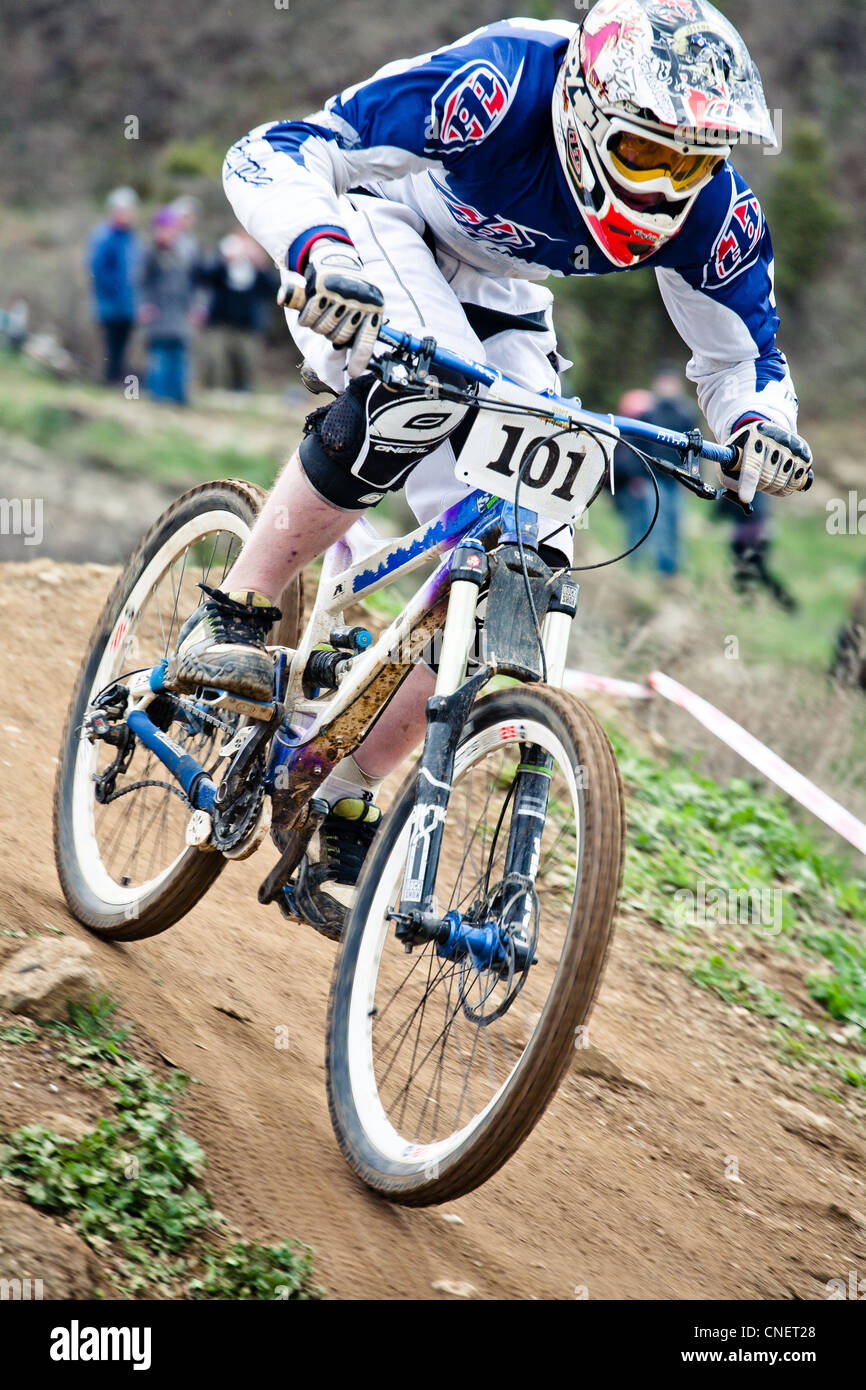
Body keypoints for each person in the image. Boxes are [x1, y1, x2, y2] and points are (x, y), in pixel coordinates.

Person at [164, 1, 814, 902]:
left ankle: (343, 789)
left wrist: (756, 429)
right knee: (424, 387)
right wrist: (316, 250)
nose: (667, 187)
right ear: (586, 112)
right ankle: (236, 608)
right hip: (380, 233)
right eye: (644, 155)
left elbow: (746, 357)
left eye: (692, 162)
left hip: (506, 295)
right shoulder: (500, 85)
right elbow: (278, 146)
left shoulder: (712, 208)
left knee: (525, 560)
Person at [196, 233, 278, 391]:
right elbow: (204, 277)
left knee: (246, 362)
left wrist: (261, 266)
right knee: (218, 361)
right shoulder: (222, 266)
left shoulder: (256, 269)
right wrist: (224, 262)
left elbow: (271, 289)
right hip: (222, 322)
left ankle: (244, 391)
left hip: (248, 325)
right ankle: (217, 390)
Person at [138, 206, 197, 404]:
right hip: (158, 313)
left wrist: (193, 307)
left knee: (179, 356)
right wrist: (144, 305)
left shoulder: (184, 253)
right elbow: (141, 283)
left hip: (178, 314)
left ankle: (179, 397)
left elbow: (191, 283)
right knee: (159, 356)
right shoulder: (150, 254)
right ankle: (159, 397)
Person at [86, 187, 140, 383]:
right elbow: (98, 270)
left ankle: (116, 380)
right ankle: (108, 380)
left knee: (123, 344)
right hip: (110, 304)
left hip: (128, 304)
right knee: (111, 345)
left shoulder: (130, 237)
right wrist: (114, 295)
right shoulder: (104, 236)